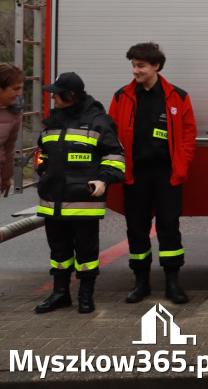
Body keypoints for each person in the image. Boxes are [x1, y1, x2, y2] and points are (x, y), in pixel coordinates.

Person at [109, 42, 197, 305]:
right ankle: (141, 283)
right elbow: (111, 135)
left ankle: (173, 283)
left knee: (169, 228)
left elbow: (188, 135)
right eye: (134, 66)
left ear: (155, 66)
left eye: (141, 66)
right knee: (137, 229)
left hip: (166, 176)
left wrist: (183, 164)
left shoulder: (177, 97)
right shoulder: (121, 97)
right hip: (136, 176)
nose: (135, 71)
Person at [35, 72, 125, 314]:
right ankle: (60, 294)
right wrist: (42, 170)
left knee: (86, 253)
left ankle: (86, 296)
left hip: (84, 202)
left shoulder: (99, 121)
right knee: (59, 253)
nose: (53, 98)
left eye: (57, 94)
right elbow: (43, 152)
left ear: (71, 95)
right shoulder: (53, 120)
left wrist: (104, 180)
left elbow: (115, 156)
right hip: (52, 200)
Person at [0, 63, 25, 199]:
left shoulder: (13, 111)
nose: (19, 93)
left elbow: (8, 147)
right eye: (15, 89)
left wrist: (5, 177)